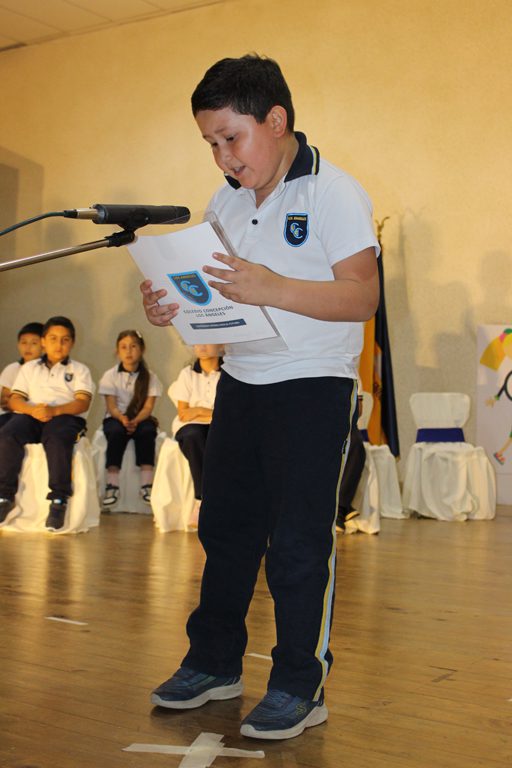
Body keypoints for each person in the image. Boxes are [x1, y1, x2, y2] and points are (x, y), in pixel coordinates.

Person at [140, 54, 379, 740]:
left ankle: (301, 684)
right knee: (226, 532)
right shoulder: (226, 201)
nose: (222, 156)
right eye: (210, 143)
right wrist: (172, 305)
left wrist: (272, 286)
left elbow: (362, 296)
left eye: (230, 138)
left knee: (299, 543)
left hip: (313, 386)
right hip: (241, 382)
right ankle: (214, 663)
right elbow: (218, 300)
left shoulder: (334, 192)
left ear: (275, 121)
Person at [0, 316, 94, 530]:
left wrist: (54, 410)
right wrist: (33, 410)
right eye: (53, 338)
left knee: (57, 438)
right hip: (33, 414)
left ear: (72, 343)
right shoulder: (29, 368)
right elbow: (15, 399)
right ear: (43, 341)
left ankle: (58, 500)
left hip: (65, 416)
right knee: (7, 433)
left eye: (65, 339)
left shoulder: (80, 370)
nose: (58, 344)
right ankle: (4, 496)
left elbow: (82, 402)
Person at [98, 329, 162, 508]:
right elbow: (111, 406)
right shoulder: (110, 375)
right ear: (117, 351)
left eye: (133, 346)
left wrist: (136, 420)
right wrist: (122, 418)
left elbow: (148, 408)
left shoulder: (151, 377)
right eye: (123, 347)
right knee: (115, 432)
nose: (128, 351)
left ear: (142, 349)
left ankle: (146, 485)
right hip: (116, 418)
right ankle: (112, 485)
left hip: (141, 418)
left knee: (147, 431)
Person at [170, 344, 223, 525]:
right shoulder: (187, 373)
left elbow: (229, 413)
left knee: (223, 440)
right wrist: (211, 413)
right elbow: (184, 413)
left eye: (207, 341)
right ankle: (201, 501)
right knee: (194, 436)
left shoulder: (229, 373)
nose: (201, 346)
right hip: (190, 426)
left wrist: (198, 410)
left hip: (220, 425)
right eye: (197, 341)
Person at [0, 322, 43, 430]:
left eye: (34, 343)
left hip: (35, 417)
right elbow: (4, 400)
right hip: (9, 415)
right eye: (24, 342)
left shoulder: (47, 370)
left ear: (44, 345)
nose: (28, 347)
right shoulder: (12, 368)